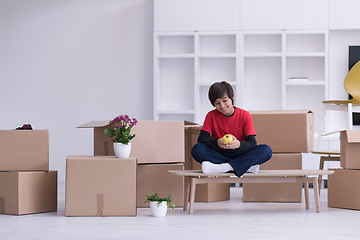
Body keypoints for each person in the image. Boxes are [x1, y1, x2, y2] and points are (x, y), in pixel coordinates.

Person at [191, 81, 272, 177]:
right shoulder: (211, 116)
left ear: (232, 97)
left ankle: (224, 167)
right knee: (197, 149)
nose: (222, 106)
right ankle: (243, 166)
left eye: (225, 100)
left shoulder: (245, 115)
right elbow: (202, 140)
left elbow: (252, 143)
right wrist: (218, 142)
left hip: (240, 153)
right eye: (217, 103)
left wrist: (238, 145)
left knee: (266, 150)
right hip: (219, 153)